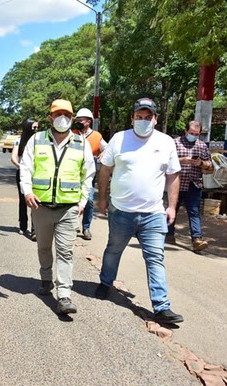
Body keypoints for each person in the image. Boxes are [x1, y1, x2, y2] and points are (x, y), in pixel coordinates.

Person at [95, 98, 184, 325]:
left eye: (148, 117)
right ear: (132, 118)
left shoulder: (166, 142)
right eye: (139, 117)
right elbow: (105, 170)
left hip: (153, 213)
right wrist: (102, 198)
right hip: (121, 211)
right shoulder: (119, 139)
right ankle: (105, 283)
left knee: (155, 257)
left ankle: (161, 306)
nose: (143, 121)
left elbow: (173, 176)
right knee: (114, 249)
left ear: (155, 119)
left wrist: (172, 206)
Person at [20, 99, 95, 315]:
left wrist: (82, 202)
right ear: (50, 117)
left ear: (72, 118)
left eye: (67, 114)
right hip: (40, 206)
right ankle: (45, 278)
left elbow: (87, 175)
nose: (62, 117)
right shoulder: (37, 140)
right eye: (58, 113)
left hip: (69, 208)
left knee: (65, 251)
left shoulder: (82, 143)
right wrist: (27, 191)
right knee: (43, 247)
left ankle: (64, 295)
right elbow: (26, 168)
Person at [166, 121, 212, 252]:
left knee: (194, 212)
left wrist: (201, 163)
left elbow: (210, 166)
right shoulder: (175, 143)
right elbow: (165, 161)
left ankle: (197, 239)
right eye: (191, 133)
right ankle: (168, 234)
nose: (194, 136)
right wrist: (182, 160)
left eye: (196, 134)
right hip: (176, 182)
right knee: (172, 207)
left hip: (194, 183)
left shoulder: (202, 146)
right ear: (186, 131)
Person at [73, 107, 107, 240]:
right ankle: (73, 224)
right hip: (74, 171)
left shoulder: (97, 136)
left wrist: (103, 152)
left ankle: (86, 227)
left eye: (81, 120)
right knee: (73, 198)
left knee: (89, 200)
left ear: (88, 121)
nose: (79, 122)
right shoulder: (73, 133)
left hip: (89, 172)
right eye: (78, 120)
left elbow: (107, 148)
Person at [11, 118, 39, 241]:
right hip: (22, 175)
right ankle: (23, 226)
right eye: (34, 127)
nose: (36, 130)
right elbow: (13, 158)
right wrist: (22, 168)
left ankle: (34, 230)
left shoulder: (40, 141)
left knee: (35, 201)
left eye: (38, 127)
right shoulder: (19, 141)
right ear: (28, 128)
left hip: (36, 176)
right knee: (23, 201)